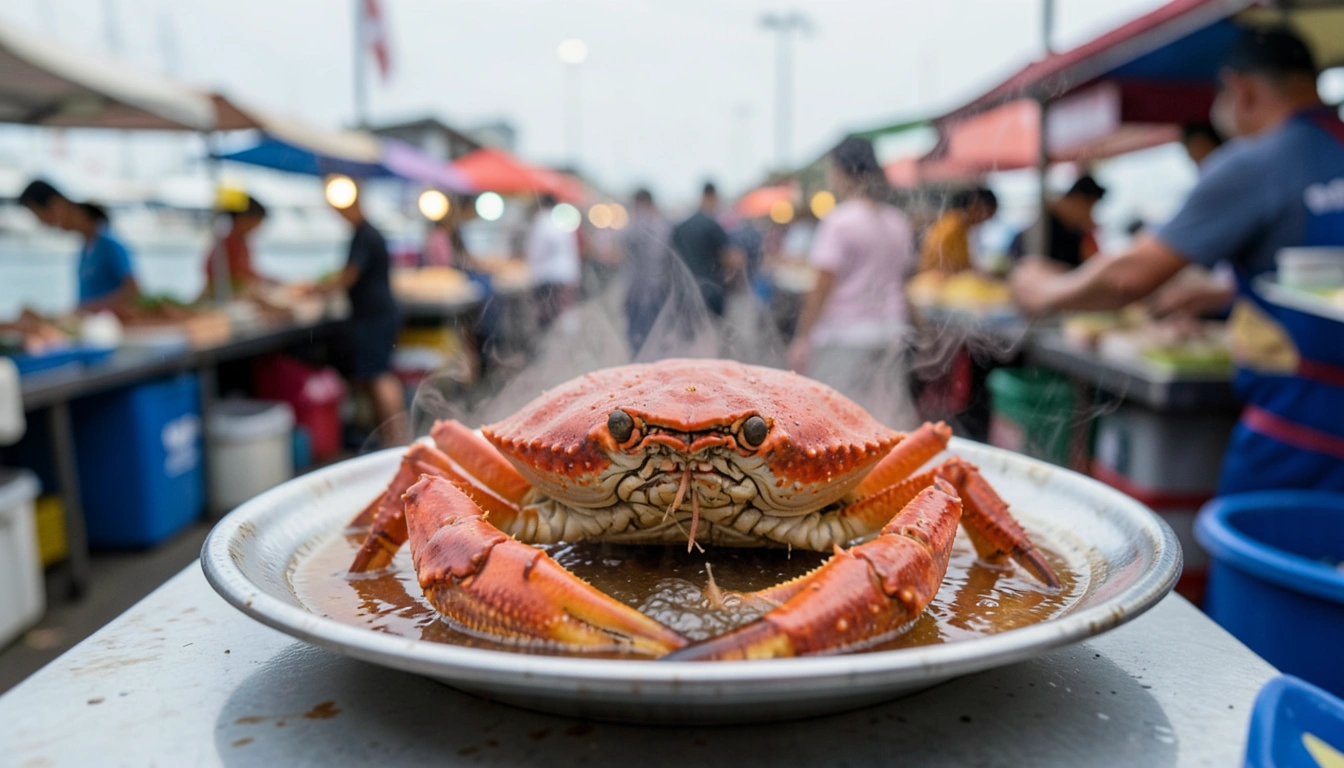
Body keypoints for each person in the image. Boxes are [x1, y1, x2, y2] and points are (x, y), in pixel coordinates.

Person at [1012, 27, 1344, 495]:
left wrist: (1042, 290)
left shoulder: (1257, 162)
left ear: (1242, 90)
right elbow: (1321, 273)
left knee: (1262, 539)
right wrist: (1222, 294)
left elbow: (1129, 278)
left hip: (1301, 431)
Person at [786, 136, 917, 428]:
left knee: (836, 422)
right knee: (884, 419)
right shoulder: (897, 221)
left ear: (842, 171)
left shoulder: (840, 221)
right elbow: (903, 280)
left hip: (845, 336)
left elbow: (822, 286)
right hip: (892, 332)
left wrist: (802, 337)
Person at [320, 184, 408, 448]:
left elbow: (349, 275)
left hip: (374, 316)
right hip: (377, 314)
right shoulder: (367, 233)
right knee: (377, 374)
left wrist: (318, 289)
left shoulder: (364, 234)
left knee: (379, 375)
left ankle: (397, 439)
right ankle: (391, 437)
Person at [19, 180, 138, 310]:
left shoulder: (109, 244)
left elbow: (134, 292)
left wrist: (85, 310)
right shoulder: (86, 247)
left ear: (56, 206)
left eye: (39, 215)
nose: (42, 223)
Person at [1008, 175, 1107, 268]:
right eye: (1090, 208)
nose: (1090, 216)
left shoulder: (1073, 231)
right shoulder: (1044, 227)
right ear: (1079, 200)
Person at [622, 188, 674, 355]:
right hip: (655, 288)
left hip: (638, 290)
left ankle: (641, 361)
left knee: (637, 337)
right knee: (654, 333)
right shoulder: (663, 225)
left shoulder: (636, 225)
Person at [671, 182, 730, 317]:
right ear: (712, 196)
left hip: (684, 290)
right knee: (710, 327)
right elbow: (726, 258)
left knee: (688, 328)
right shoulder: (712, 226)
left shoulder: (681, 227)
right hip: (709, 290)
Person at [524, 193, 580, 330]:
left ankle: (550, 337)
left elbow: (536, 251)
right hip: (566, 273)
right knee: (562, 311)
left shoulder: (542, 221)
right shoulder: (561, 220)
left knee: (548, 314)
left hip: (547, 276)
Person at [203, 195, 271, 297]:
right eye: (257, 220)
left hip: (232, 291)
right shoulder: (229, 242)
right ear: (244, 218)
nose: (258, 226)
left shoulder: (239, 241)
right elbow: (241, 274)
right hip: (224, 294)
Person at [919, 187, 999, 273]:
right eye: (987, 215)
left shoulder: (957, 224)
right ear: (976, 207)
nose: (984, 221)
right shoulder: (953, 226)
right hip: (937, 277)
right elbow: (950, 265)